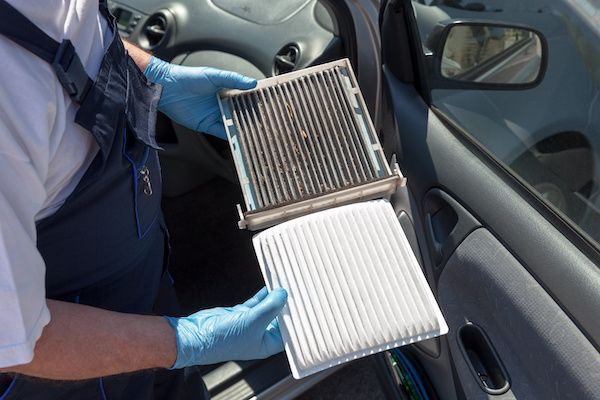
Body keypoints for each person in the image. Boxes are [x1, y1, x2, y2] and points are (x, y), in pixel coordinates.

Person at [0, 1, 288, 399]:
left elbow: (74, 31)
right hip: (69, 365)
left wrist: (151, 74)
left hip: (140, 286)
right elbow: (17, 341)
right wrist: (185, 343)